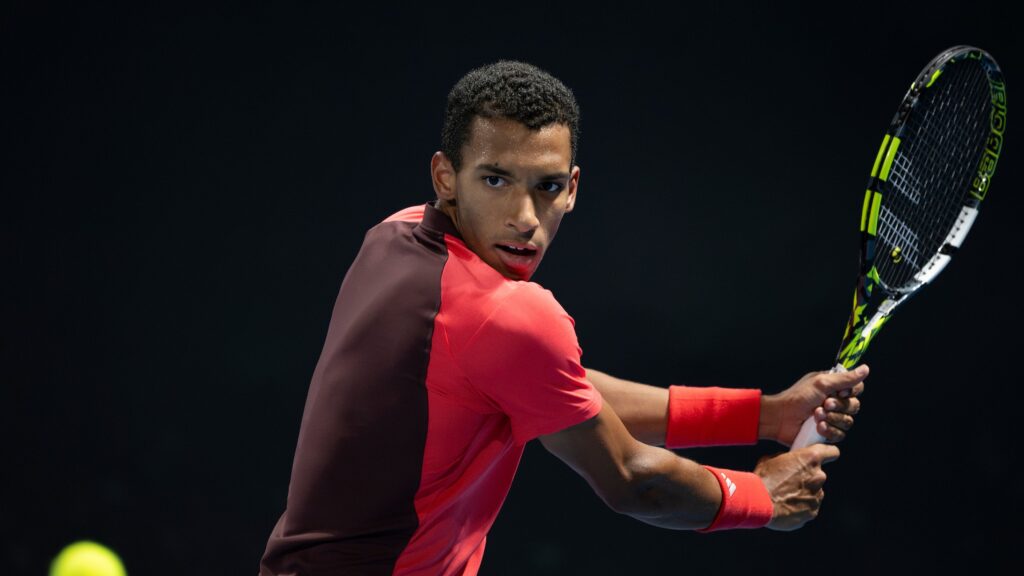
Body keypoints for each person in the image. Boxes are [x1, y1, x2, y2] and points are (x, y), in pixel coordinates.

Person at [259, 60, 866, 575]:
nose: (525, 216)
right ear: (446, 177)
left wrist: (765, 414)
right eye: (496, 180)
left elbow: (554, 387)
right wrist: (764, 496)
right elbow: (634, 480)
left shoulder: (391, 234)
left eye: (546, 187)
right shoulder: (509, 316)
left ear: (573, 188)